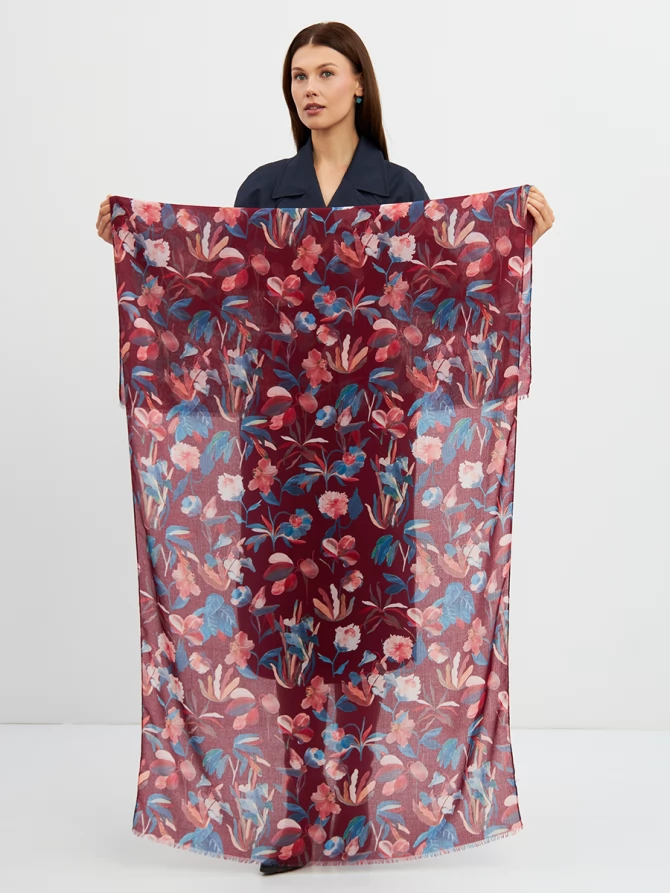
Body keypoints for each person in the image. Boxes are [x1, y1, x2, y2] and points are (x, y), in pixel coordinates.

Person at [96, 20, 555, 877]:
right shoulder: (265, 189)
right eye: (298, 76)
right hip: (277, 441)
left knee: (368, 626)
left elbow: (439, 298)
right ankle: (299, 815)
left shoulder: (399, 189)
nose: (309, 88)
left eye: (325, 72)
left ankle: (352, 803)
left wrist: (517, 235)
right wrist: (135, 246)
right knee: (285, 627)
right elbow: (217, 300)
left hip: (376, 442)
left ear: (358, 85)